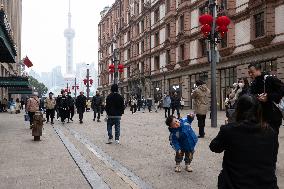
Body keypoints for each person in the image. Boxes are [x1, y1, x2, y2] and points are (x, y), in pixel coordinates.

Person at [210, 95, 278, 189]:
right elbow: (273, 156)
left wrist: (229, 126)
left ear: (238, 110)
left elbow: (214, 147)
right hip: (266, 184)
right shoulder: (270, 131)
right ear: (258, 110)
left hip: (234, 184)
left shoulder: (229, 130)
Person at [248, 62, 284, 168]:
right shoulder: (254, 83)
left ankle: (271, 163)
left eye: (252, 72)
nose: (250, 74)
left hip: (273, 116)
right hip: (259, 116)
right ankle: (262, 160)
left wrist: (268, 97)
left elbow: (282, 90)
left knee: (272, 139)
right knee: (259, 138)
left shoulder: (269, 79)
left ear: (258, 70)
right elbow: (252, 96)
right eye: (249, 72)